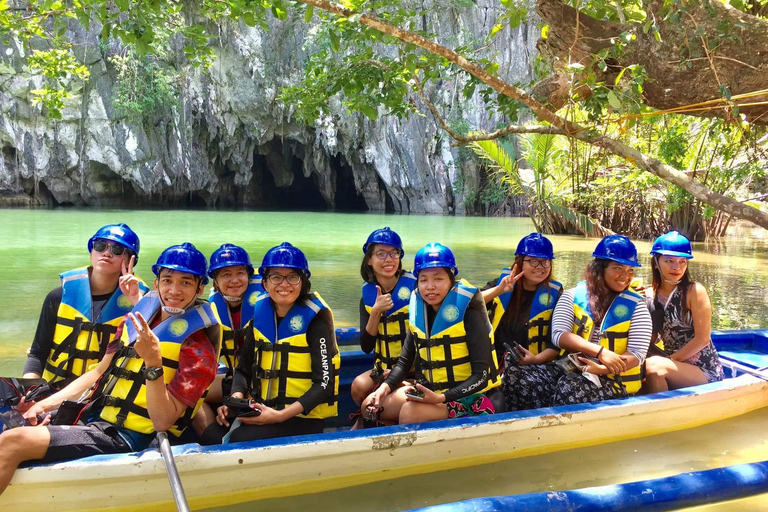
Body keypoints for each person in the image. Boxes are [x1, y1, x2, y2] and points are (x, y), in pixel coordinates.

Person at [0, 243, 220, 495]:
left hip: (126, 435)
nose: (174, 290)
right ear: (156, 283)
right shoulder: (134, 320)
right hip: (91, 414)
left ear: (200, 288)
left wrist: (153, 364)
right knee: (9, 421)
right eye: (167, 280)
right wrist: (43, 405)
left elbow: (162, 421)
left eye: (185, 283)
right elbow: (97, 373)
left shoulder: (198, 351)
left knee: (13, 441)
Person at [200, 242, 340, 445]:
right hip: (262, 408)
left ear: (302, 282)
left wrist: (280, 416)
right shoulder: (260, 318)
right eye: (276, 277)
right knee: (210, 435)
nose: (284, 284)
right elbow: (243, 369)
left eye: (293, 277)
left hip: (301, 417)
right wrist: (237, 401)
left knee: (238, 439)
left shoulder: (316, 322)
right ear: (265, 283)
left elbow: (324, 384)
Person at [361, 242, 504, 425]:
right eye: (423, 280)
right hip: (432, 391)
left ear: (451, 279)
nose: (430, 287)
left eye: (438, 279)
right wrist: (384, 388)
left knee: (410, 413)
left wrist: (441, 398)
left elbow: (482, 375)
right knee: (370, 407)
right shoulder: (417, 309)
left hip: (475, 397)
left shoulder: (469, 310)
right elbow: (404, 363)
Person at [23, 223, 149, 384]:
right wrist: (27, 389)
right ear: (91, 253)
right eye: (100, 246)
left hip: (103, 399)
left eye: (116, 250)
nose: (106, 253)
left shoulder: (139, 303)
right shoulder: (58, 297)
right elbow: (37, 354)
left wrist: (138, 303)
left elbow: (153, 356)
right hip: (54, 390)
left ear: (130, 260)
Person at [549, 234, 652, 405]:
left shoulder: (637, 307)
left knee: (570, 387)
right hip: (569, 369)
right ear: (599, 269)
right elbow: (559, 335)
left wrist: (602, 369)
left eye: (630, 270)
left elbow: (637, 354)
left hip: (613, 380)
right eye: (618, 268)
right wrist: (600, 352)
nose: (625, 276)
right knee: (520, 376)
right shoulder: (572, 296)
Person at [482, 233, 563, 411]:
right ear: (520, 263)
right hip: (496, 362)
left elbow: (557, 342)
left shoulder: (556, 294)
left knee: (513, 383)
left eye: (545, 262)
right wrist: (498, 290)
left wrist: (536, 360)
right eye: (533, 261)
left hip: (535, 365)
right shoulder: (503, 284)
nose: (540, 267)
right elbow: (471, 303)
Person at [193, 244, 264, 435]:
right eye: (226, 274)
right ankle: (212, 438)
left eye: (240, 273)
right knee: (191, 392)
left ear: (249, 276)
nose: (234, 280)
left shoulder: (270, 305)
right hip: (236, 378)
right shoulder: (211, 309)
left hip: (266, 381)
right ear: (215, 281)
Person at [643, 231, 723, 392]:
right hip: (672, 365)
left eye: (682, 261)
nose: (676, 267)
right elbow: (649, 338)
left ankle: (662, 414)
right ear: (656, 263)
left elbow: (702, 339)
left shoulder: (694, 291)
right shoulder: (650, 294)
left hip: (703, 369)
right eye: (669, 261)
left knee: (654, 366)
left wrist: (670, 361)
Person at [350, 227, 416, 410]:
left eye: (394, 253)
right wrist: (376, 312)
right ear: (369, 260)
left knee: (373, 406)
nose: (389, 259)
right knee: (358, 386)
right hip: (383, 369)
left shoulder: (418, 287)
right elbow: (366, 346)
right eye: (381, 254)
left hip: (413, 369)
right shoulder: (368, 297)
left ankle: (370, 421)